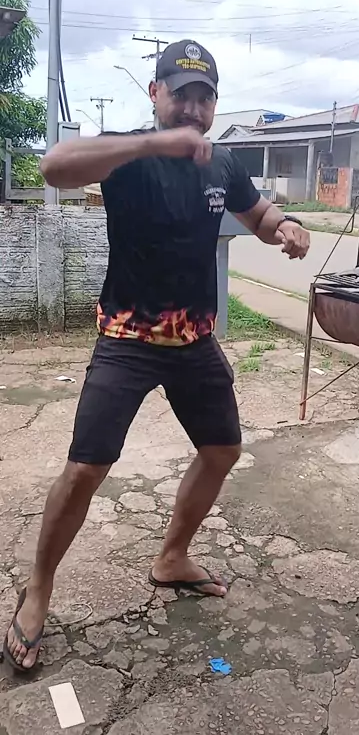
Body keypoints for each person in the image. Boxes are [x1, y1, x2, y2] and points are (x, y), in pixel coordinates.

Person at [3, 39, 310, 672]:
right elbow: (54, 167)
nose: (194, 109)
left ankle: (171, 558)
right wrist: (151, 144)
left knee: (222, 451)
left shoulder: (223, 162)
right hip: (127, 341)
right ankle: (38, 590)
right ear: (155, 94)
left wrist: (283, 226)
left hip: (195, 342)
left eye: (205, 98)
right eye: (181, 95)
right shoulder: (128, 154)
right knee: (86, 469)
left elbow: (256, 213)